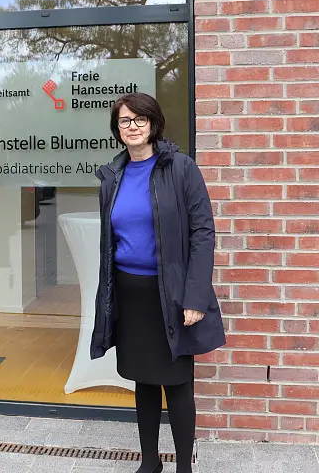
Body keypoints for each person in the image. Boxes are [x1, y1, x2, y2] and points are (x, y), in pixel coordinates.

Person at [91, 92, 226, 473]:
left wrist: (195, 296)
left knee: (177, 383)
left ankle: (184, 465)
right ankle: (150, 462)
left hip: (171, 295)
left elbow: (203, 233)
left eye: (139, 119)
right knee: (143, 380)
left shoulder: (180, 168)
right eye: (124, 121)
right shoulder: (112, 176)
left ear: (153, 123)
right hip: (130, 293)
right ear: (117, 130)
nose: (132, 126)